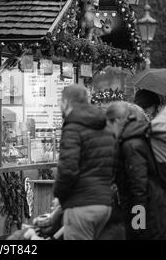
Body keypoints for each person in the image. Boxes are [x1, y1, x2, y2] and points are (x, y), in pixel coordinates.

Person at [106, 101, 166, 240]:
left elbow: (139, 189)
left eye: (108, 125)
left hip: (157, 219)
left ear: (116, 121)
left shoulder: (131, 144)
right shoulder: (143, 135)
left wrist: (137, 225)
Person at [53, 84, 117, 240]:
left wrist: (59, 196)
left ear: (66, 103)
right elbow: (115, 165)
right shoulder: (106, 126)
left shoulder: (73, 127)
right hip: (104, 205)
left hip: (81, 205)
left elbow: (68, 169)